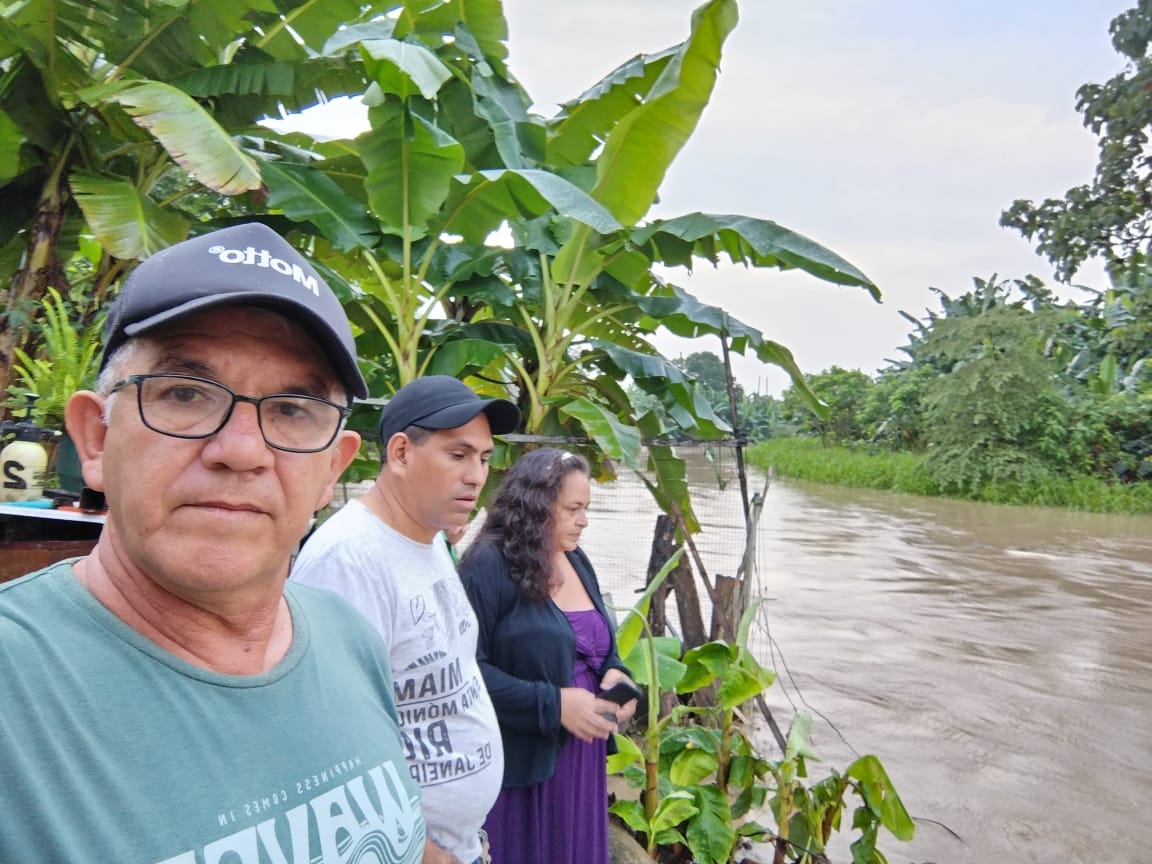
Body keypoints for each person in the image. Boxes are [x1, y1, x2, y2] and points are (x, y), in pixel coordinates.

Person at [0, 222, 427, 864]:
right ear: (96, 438)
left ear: (331, 470)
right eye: (185, 393)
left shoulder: (350, 637)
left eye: (291, 409)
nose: (242, 450)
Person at [292, 375, 520, 864]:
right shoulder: (349, 560)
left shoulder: (427, 537)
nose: (477, 475)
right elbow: (331, 747)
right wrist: (428, 854)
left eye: (484, 458)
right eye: (457, 455)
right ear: (400, 453)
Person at [457, 448, 639, 864]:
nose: (584, 520)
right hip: (521, 764)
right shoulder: (488, 566)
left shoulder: (576, 559)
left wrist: (618, 675)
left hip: (581, 756)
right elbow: (463, 673)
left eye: (586, 508)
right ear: (536, 506)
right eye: (573, 509)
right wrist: (554, 704)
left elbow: (602, 648)